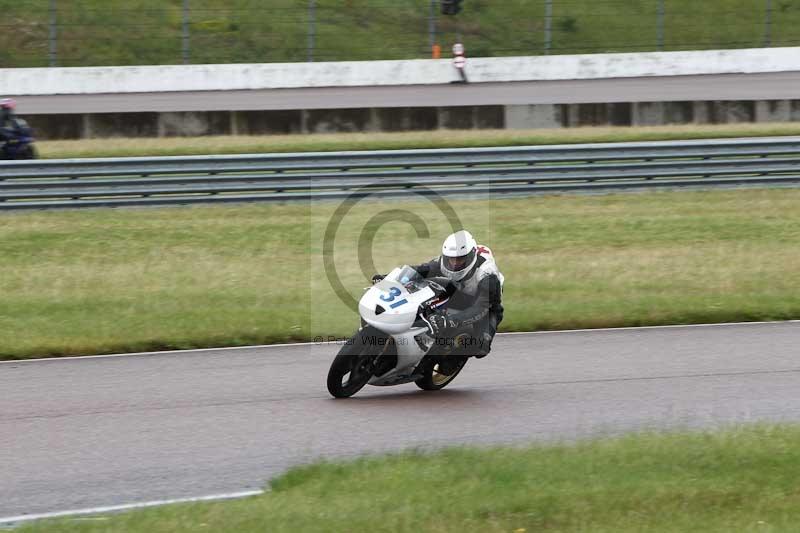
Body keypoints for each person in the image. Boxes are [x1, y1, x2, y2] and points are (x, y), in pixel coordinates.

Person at [374, 229, 504, 359]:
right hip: (458, 290)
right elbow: (420, 270)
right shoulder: (443, 262)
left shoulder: (487, 275)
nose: (454, 264)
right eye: (451, 260)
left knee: (480, 347)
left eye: (460, 260)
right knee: (426, 286)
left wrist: (449, 321)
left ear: (471, 257)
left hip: (486, 304)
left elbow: (480, 308)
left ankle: (449, 357)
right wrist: (389, 279)